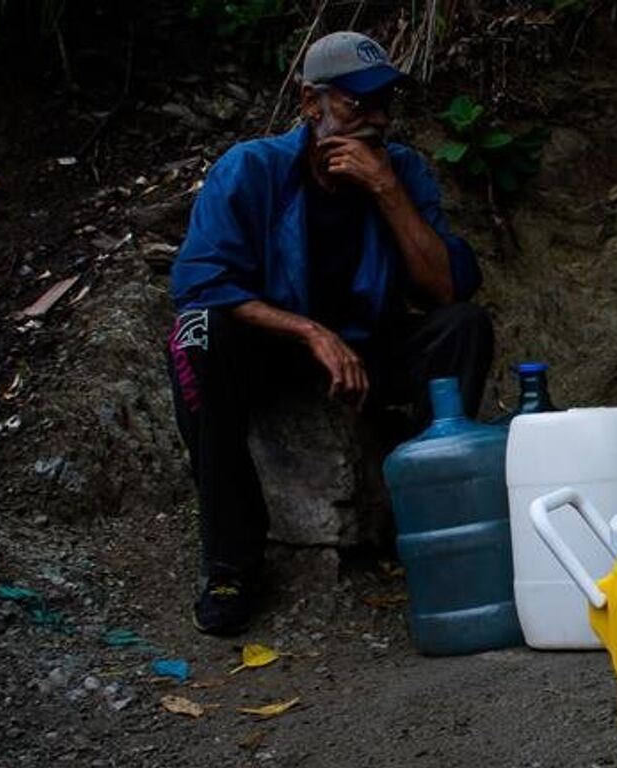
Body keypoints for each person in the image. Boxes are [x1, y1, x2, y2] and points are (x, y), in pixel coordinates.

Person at [166, 31, 493, 636]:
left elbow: (447, 290)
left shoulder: (401, 171)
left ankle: (426, 520)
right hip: (274, 350)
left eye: (383, 104)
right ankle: (231, 563)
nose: (376, 119)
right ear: (309, 104)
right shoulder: (252, 169)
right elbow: (200, 283)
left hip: (368, 347)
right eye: (356, 103)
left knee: (464, 328)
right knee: (197, 333)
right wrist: (310, 332)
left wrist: (387, 191)